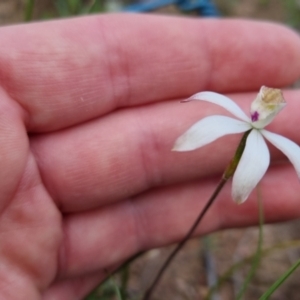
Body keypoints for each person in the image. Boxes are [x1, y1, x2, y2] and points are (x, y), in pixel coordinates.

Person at [0, 13, 299, 300]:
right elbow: (191, 135)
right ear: (260, 99)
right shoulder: (223, 111)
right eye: (265, 97)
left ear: (272, 110)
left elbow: (241, 186)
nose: (265, 102)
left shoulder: (263, 140)